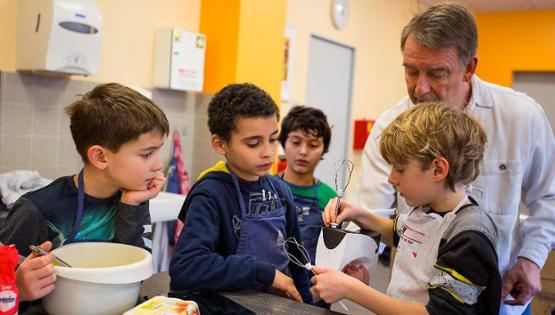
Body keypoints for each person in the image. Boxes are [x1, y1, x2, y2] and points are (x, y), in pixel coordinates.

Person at [355, 3, 555, 314]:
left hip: (503, 304)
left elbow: (552, 196)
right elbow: (378, 210)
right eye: (411, 70)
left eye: (437, 73)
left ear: (469, 67)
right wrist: (357, 265)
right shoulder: (390, 125)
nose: (420, 88)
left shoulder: (521, 116)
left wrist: (531, 258)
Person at [312, 102, 501, 314]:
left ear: (438, 169)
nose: (391, 179)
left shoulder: (468, 237)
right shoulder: (426, 209)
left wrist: (350, 289)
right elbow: (401, 233)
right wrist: (359, 214)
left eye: (400, 169)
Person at [0, 83, 169, 307]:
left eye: (158, 151)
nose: (158, 165)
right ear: (100, 157)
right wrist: (19, 290)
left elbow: (136, 274)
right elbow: (4, 289)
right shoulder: (37, 210)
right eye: (147, 154)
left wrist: (131, 206)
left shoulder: (132, 198)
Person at [169, 83, 312, 303]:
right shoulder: (210, 194)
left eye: (273, 139)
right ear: (220, 144)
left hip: (278, 306)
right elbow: (187, 267)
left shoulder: (281, 191)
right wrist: (263, 273)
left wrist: (307, 303)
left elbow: (297, 258)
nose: (268, 152)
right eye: (253, 143)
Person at [277, 106, 337, 265]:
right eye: (296, 142)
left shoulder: (330, 198)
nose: (303, 151)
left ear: (324, 150)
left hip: (312, 283)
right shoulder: (266, 188)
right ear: (284, 142)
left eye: (313, 145)